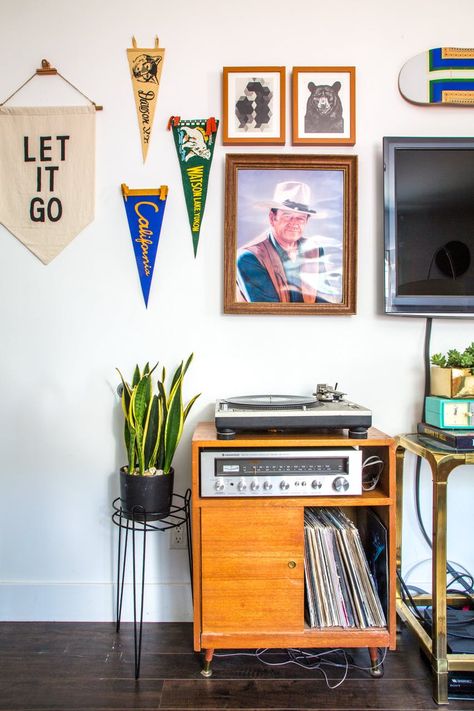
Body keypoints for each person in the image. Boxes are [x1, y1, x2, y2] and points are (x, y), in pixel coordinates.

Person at [236, 181, 328, 303]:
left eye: (300, 218)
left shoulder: (315, 250)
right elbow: (269, 311)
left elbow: (323, 301)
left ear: (306, 221)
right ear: (272, 218)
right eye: (287, 216)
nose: (294, 223)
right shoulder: (248, 258)